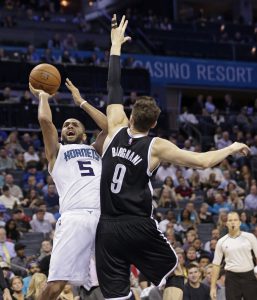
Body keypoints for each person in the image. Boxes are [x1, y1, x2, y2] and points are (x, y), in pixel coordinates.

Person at [95, 14, 251, 300]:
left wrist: (115, 46)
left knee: (117, 296)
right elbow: (203, 162)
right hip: (137, 224)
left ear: (130, 116)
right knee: (175, 277)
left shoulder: (116, 126)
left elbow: (113, 85)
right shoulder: (156, 146)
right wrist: (230, 147)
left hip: (106, 228)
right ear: (154, 124)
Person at [28, 77, 108, 300]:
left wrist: (81, 101)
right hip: (75, 217)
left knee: (113, 280)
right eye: (66, 125)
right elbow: (45, 121)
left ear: (84, 134)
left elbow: (110, 126)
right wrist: (44, 97)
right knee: (56, 284)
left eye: (75, 124)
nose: (69, 126)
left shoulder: (96, 149)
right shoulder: (57, 152)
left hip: (105, 218)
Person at [210, 211, 257, 300]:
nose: (233, 222)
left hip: (249, 276)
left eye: (235, 220)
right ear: (226, 223)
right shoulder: (221, 241)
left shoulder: (250, 237)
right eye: (230, 220)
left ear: (239, 222)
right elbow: (216, 265)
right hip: (232, 278)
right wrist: (213, 287)